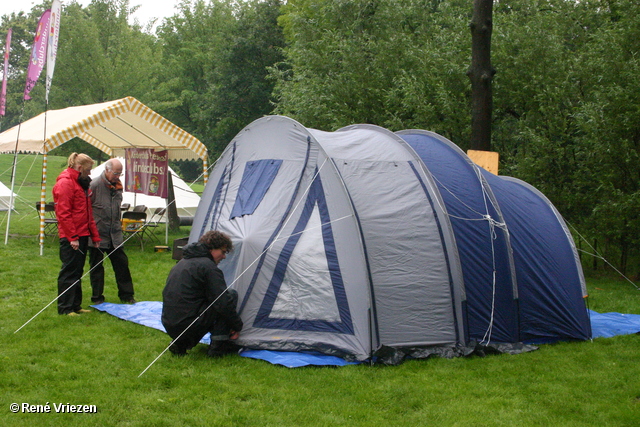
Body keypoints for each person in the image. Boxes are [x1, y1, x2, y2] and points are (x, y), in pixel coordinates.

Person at [161, 230, 243, 357]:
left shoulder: (183, 262)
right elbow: (223, 303)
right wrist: (237, 325)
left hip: (169, 322)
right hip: (187, 322)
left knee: (206, 303)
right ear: (212, 249)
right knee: (230, 295)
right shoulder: (208, 267)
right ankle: (218, 347)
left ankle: (181, 343)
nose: (224, 256)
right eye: (223, 252)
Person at [52, 153, 101, 316]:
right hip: (71, 236)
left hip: (82, 233)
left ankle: (75, 305)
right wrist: (72, 237)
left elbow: (87, 213)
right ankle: (65, 308)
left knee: (78, 271)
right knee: (69, 271)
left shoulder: (81, 183)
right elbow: (63, 213)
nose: (90, 174)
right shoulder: (66, 183)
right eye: (88, 170)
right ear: (79, 168)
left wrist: (94, 236)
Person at [88, 158, 136, 305]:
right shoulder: (94, 185)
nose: (117, 176)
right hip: (98, 235)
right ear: (107, 170)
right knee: (96, 268)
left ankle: (127, 295)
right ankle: (97, 297)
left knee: (122, 265)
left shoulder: (118, 187)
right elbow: (86, 209)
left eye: (120, 174)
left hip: (115, 235)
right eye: (116, 173)